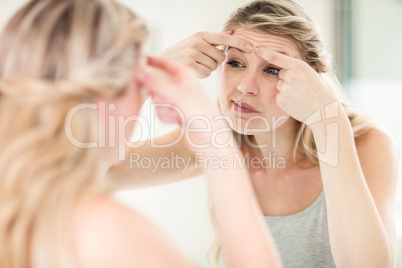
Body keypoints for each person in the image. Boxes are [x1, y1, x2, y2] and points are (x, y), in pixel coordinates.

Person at [108, 0, 399, 267]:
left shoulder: (365, 143)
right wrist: (148, 75)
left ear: (310, 79)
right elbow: (94, 170)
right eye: (235, 63)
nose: (247, 86)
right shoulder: (219, 142)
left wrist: (328, 121)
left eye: (272, 69)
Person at [0, 0, 283, 267]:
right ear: (104, 99)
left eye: (272, 69)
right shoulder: (103, 231)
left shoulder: (23, 203)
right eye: (140, 81)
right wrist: (218, 144)